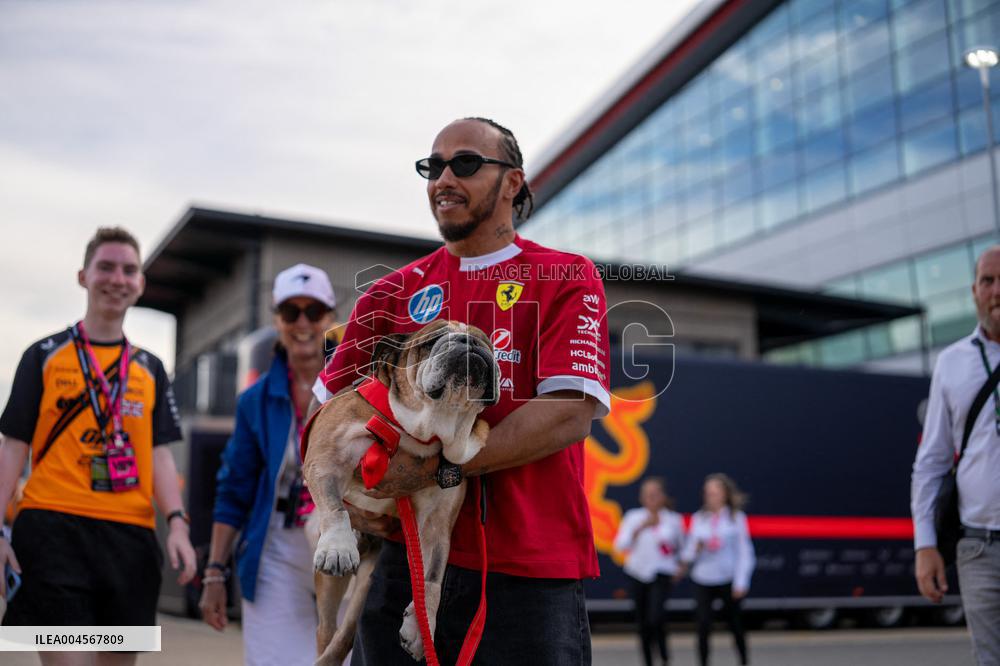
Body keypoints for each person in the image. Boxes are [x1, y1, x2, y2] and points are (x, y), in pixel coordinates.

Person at [313, 117, 612, 664]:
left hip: (526, 571)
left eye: (466, 163)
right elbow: (323, 418)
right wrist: (349, 503)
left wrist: (432, 471)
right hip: (399, 568)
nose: (444, 178)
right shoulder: (389, 292)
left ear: (513, 182)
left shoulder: (565, 275)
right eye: (433, 166)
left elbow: (569, 413)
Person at [0, 226, 196, 664]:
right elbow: (12, 446)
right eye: (105, 267)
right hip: (52, 531)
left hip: (130, 540)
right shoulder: (43, 354)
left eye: (129, 270)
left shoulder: (150, 368)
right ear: (83, 276)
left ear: (140, 284)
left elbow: (159, 453)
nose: (117, 278)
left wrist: (178, 524)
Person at [199, 264, 337, 666]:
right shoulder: (255, 400)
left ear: (330, 317)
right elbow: (234, 487)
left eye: (314, 311)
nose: (302, 322)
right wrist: (214, 572)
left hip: (347, 539)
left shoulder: (358, 384)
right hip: (280, 544)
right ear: (276, 319)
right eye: (290, 312)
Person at [912, 245, 1000, 665]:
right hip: (979, 549)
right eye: (988, 281)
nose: (997, 289)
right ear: (974, 291)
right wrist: (925, 545)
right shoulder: (952, 363)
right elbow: (930, 462)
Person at [679, 473, 755, 666]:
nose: (710, 496)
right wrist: (695, 550)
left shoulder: (736, 518)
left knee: (735, 624)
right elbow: (687, 555)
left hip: (727, 578)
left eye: (714, 492)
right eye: (707, 493)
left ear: (724, 494)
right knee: (703, 625)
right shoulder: (699, 518)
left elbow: (744, 553)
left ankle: (744, 659)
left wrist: (741, 581)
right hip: (703, 578)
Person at [613, 476, 684, 666]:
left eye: (655, 494)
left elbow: (681, 548)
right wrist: (641, 528)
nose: (651, 499)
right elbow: (620, 546)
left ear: (662, 497)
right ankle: (647, 660)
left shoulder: (673, 520)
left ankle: (664, 655)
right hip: (638, 573)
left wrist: (680, 567)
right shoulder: (633, 517)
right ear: (642, 498)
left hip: (662, 573)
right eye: (647, 495)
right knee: (643, 622)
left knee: (655, 617)